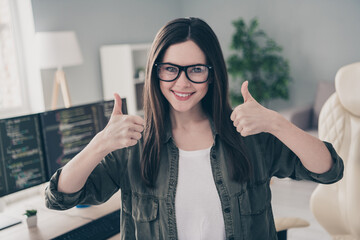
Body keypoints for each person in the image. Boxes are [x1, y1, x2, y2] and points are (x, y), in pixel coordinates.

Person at [45, 17, 343, 240]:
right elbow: (59, 197)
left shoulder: (248, 136)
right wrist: (101, 143)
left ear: (213, 74)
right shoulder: (133, 143)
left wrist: (277, 123)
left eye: (196, 69)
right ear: (155, 73)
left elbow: (329, 170)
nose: (182, 83)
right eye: (170, 69)